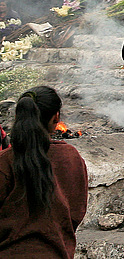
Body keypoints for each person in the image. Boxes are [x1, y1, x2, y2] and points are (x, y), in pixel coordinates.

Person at [0, 86, 87, 258]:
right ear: (56, 118)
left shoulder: (5, 161)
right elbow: (76, 213)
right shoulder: (71, 157)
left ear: (19, 117)